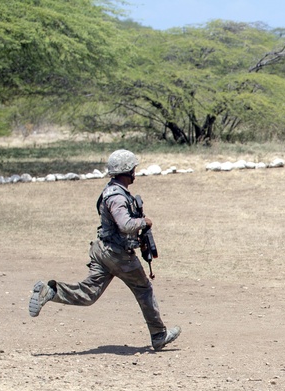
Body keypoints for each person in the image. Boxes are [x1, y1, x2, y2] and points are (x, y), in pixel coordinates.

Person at [28, 149, 181, 351]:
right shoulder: (117, 197)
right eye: (133, 169)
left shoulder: (110, 190)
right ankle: (158, 335)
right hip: (118, 255)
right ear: (126, 171)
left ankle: (52, 291)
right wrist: (144, 221)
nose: (135, 172)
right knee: (143, 289)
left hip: (102, 251)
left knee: (88, 294)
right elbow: (125, 224)